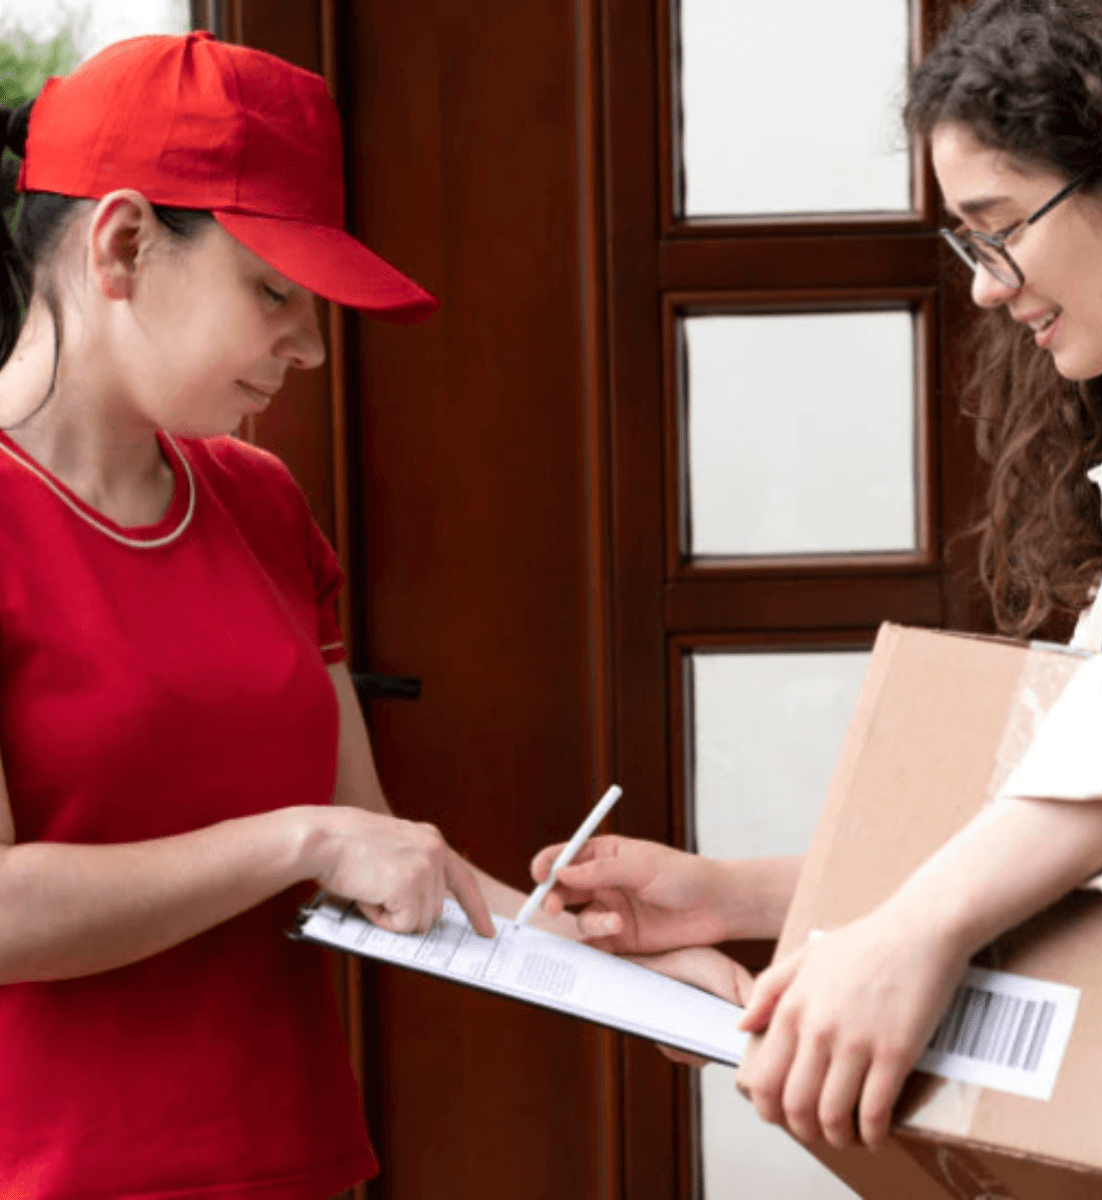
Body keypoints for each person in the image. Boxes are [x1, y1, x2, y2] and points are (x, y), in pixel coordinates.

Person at [532, 0, 1102, 1157]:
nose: (987, 286)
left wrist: (908, 936)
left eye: (1000, 228)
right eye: (966, 244)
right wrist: (742, 901)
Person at [0, 30, 598, 1199]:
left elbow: (372, 851)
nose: (313, 346)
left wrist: (670, 978)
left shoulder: (259, 502)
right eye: (274, 290)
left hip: (298, 1164)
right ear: (121, 244)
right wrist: (299, 839)